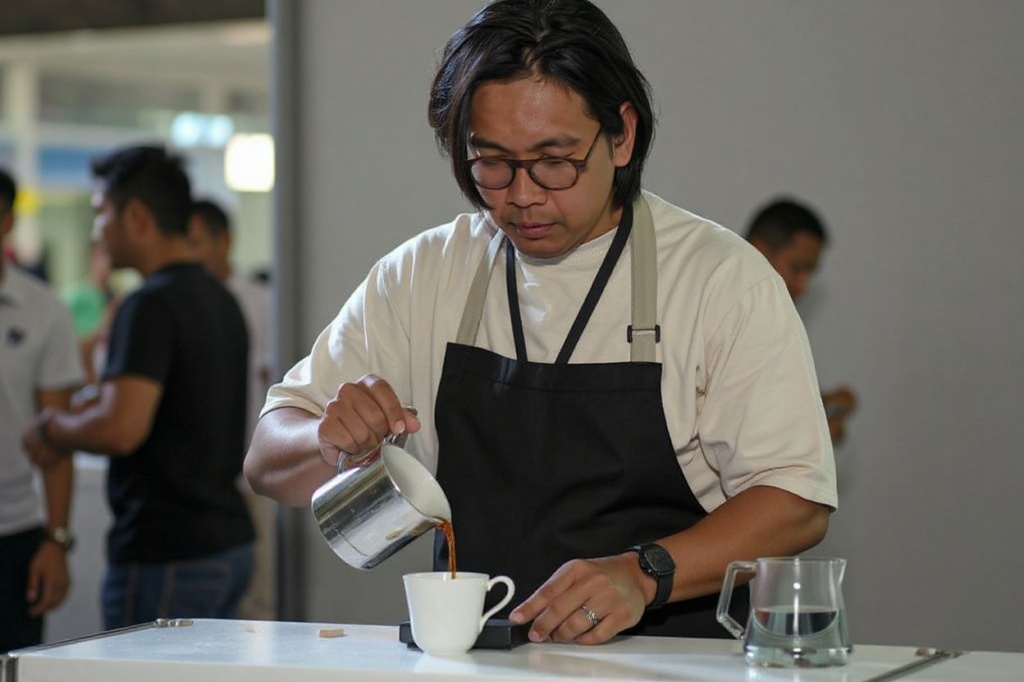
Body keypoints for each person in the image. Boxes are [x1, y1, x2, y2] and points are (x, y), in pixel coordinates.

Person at [244, 0, 837, 644]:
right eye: (491, 162)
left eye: (555, 161)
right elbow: (266, 460)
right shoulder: (424, 275)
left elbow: (796, 503)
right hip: (477, 657)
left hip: (671, 658)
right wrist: (327, 440)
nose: (522, 195)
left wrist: (644, 574)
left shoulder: (718, 278)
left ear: (622, 135)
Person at [21, 145, 255, 630]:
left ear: (136, 216)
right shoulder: (219, 298)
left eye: (100, 213)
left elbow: (120, 428)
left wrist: (53, 428)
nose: (95, 231)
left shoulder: (149, 305)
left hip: (168, 551)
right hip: (225, 539)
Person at [1, 168, 84, 652]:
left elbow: (56, 436)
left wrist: (56, 540)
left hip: (13, 532)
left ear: (7, 221)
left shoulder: (43, 311)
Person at [187, 197, 276, 621]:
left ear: (224, 241)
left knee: (255, 599)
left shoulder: (260, 302)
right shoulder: (174, 305)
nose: (189, 253)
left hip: (250, 473)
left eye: (196, 241)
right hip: (204, 478)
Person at [744, 197, 858, 443]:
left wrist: (822, 406)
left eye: (810, 273)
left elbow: (762, 404)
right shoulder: (719, 318)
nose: (803, 286)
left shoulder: (769, 323)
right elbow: (724, 426)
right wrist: (812, 433)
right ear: (758, 251)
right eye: (797, 268)